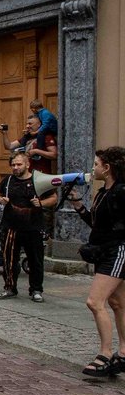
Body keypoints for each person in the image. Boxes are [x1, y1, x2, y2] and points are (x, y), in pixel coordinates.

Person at [69, 147, 125, 377]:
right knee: (117, 303)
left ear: (107, 167)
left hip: (118, 251)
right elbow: (97, 224)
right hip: (105, 251)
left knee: (95, 301)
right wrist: (79, 206)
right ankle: (123, 352)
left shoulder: (121, 192)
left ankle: (105, 353)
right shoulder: (104, 192)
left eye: (96, 164)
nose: (93, 168)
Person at [0, 152, 57, 302]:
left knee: (35, 260)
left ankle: (36, 289)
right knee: (9, 259)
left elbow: (54, 198)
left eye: (19, 164)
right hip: (11, 227)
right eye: (13, 165)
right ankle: (10, 287)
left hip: (33, 226)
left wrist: (41, 203)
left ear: (27, 164)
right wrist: (1, 200)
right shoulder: (8, 180)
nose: (15, 167)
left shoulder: (38, 180)